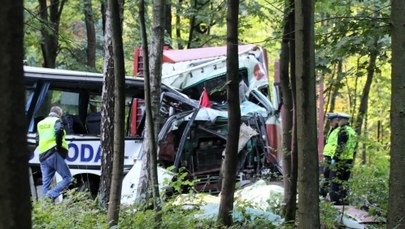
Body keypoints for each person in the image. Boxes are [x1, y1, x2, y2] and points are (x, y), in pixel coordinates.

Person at [37, 106, 72, 200]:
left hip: (42, 155)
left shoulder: (40, 123)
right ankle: (51, 194)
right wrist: (59, 146)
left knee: (46, 183)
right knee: (68, 178)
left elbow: (37, 138)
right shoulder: (56, 121)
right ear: (59, 113)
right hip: (53, 153)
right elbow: (59, 131)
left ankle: (45, 206)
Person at [329, 112, 357, 205]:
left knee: (335, 181)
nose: (338, 122)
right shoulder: (352, 131)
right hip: (349, 160)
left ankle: (335, 202)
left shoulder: (343, 131)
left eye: (339, 120)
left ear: (343, 121)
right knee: (344, 182)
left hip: (340, 160)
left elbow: (340, 146)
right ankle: (344, 200)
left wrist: (335, 159)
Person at [320, 112, 340, 198]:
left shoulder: (339, 130)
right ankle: (323, 192)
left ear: (336, 121)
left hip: (333, 157)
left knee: (331, 177)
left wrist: (334, 157)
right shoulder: (332, 130)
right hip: (328, 157)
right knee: (326, 175)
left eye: (332, 121)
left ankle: (329, 194)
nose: (331, 123)